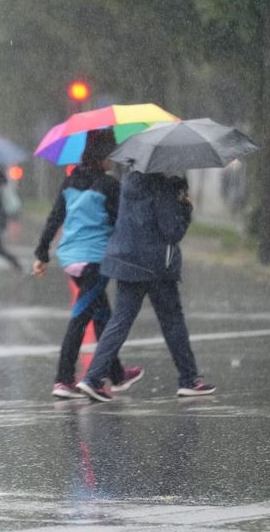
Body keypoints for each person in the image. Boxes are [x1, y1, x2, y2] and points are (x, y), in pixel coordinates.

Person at [77, 171, 215, 401]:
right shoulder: (165, 186)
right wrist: (185, 208)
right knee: (172, 321)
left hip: (127, 260)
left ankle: (92, 378)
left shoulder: (130, 181)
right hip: (156, 265)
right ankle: (189, 379)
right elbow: (172, 231)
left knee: (120, 320)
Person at [33, 130, 142, 399]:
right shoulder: (109, 184)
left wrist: (42, 253)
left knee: (101, 314)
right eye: (110, 155)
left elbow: (55, 217)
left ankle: (116, 374)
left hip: (69, 257)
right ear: (102, 157)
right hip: (95, 259)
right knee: (81, 317)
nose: (112, 161)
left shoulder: (70, 181)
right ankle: (63, 379)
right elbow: (121, 221)